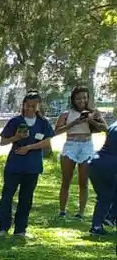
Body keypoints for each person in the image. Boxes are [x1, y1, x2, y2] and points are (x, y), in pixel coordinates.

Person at [0, 92, 56, 238]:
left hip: (32, 167)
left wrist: (28, 148)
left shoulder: (43, 123)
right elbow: (3, 142)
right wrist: (16, 137)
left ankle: (20, 230)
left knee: (26, 198)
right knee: (7, 196)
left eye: (33, 106)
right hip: (14, 166)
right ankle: (3, 228)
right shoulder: (15, 121)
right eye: (27, 105)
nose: (30, 109)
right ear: (23, 105)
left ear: (38, 106)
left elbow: (46, 142)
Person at [53, 87, 105, 221]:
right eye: (78, 98)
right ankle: (62, 211)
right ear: (73, 100)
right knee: (66, 180)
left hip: (86, 145)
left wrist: (90, 120)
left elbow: (105, 128)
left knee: (83, 181)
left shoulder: (94, 113)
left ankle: (80, 213)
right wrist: (75, 122)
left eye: (84, 98)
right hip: (71, 145)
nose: (82, 101)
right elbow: (56, 131)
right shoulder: (66, 114)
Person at [86, 119, 117, 237]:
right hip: (109, 165)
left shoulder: (113, 125)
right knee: (106, 195)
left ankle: (98, 225)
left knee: (104, 196)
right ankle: (110, 217)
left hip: (95, 162)